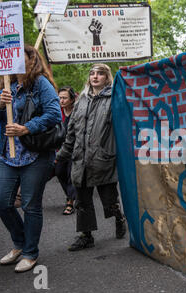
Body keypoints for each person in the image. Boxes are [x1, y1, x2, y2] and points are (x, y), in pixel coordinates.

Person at [0, 44, 62, 272]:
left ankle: (30, 252)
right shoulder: (8, 85)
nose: (15, 60)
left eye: (21, 56)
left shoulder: (41, 84)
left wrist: (26, 128)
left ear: (32, 61)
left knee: (30, 205)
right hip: (9, 155)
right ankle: (20, 243)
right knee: (0, 201)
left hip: (36, 155)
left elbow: (54, 114)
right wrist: (0, 103)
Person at [56, 63, 126, 251]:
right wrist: (63, 154)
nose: (95, 77)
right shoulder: (81, 100)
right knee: (82, 200)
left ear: (107, 78)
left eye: (100, 74)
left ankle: (119, 218)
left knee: (109, 201)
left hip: (102, 158)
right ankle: (86, 236)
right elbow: (72, 132)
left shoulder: (114, 98)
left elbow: (124, 123)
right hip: (80, 159)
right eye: (92, 73)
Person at [55, 86, 77, 215]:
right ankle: (70, 195)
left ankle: (70, 201)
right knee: (59, 171)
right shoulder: (57, 112)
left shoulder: (77, 112)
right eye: (60, 98)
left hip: (75, 149)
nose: (61, 101)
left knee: (72, 174)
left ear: (72, 99)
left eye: (64, 98)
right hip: (61, 149)